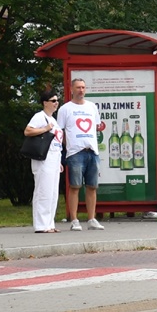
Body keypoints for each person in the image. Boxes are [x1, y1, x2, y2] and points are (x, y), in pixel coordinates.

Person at [56, 78, 104, 231]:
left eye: (83, 87)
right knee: (75, 186)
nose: (81, 90)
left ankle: (91, 219)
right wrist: (69, 146)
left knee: (92, 186)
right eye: (78, 87)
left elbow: (96, 126)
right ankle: (74, 220)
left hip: (92, 151)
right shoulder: (65, 109)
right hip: (75, 153)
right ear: (71, 89)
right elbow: (60, 132)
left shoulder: (91, 106)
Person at [25, 89, 64, 233]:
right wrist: (45, 128)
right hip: (44, 158)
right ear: (45, 103)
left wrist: (59, 161)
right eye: (53, 101)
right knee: (44, 190)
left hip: (54, 157)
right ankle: (41, 225)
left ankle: (49, 223)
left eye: (57, 100)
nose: (56, 103)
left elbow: (56, 142)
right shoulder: (40, 117)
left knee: (53, 192)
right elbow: (28, 131)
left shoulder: (53, 119)